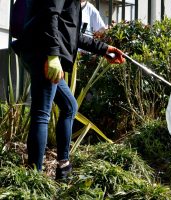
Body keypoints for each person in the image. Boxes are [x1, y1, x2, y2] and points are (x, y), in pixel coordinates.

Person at [11, 0, 125, 180]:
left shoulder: (73, 5)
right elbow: (49, 15)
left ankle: (63, 167)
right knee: (42, 114)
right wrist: (53, 55)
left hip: (41, 51)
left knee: (69, 106)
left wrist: (104, 49)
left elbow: (70, 34)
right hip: (44, 54)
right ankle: (34, 178)